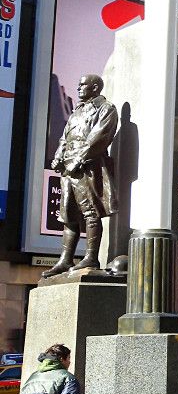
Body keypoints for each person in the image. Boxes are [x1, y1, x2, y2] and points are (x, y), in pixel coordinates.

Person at [41, 75, 119, 278]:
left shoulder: (106, 109)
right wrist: (59, 156)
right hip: (68, 168)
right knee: (68, 215)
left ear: (95, 87)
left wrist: (80, 158)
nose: (79, 87)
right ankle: (65, 259)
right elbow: (64, 137)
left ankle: (91, 257)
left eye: (83, 84)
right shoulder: (78, 109)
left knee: (90, 212)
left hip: (88, 166)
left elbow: (100, 137)